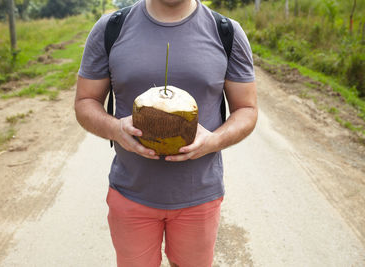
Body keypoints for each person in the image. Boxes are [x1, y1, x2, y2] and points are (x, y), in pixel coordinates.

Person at [74, 0, 257, 265]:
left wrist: (213, 140)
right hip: (131, 194)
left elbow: (247, 109)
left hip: (199, 198)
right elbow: (84, 102)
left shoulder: (225, 31)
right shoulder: (111, 27)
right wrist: (116, 128)